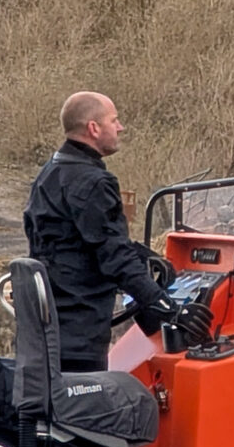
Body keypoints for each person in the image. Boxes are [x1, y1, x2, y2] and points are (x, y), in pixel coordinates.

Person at [21, 91, 207, 371]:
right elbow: (114, 257)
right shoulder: (93, 182)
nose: (120, 127)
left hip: (46, 327)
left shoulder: (50, 173)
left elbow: (76, 243)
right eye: (114, 120)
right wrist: (168, 308)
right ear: (94, 129)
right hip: (79, 332)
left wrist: (143, 257)